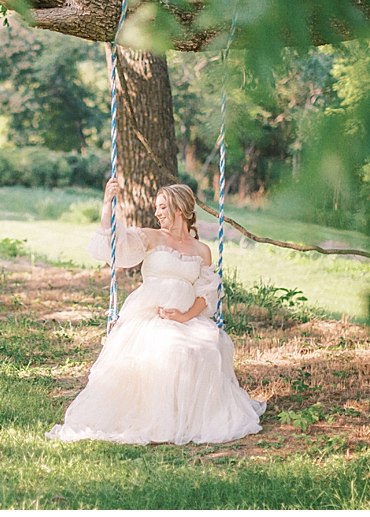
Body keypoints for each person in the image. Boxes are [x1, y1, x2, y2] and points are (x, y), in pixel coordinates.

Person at [46, 178, 266, 445]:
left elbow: (206, 293)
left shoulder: (201, 250)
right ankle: (159, 419)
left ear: (180, 210)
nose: (157, 213)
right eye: (156, 208)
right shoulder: (151, 237)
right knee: (169, 349)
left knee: (207, 346)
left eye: (162, 207)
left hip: (186, 317)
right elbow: (114, 242)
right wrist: (107, 204)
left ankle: (187, 418)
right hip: (150, 314)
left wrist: (185, 316)